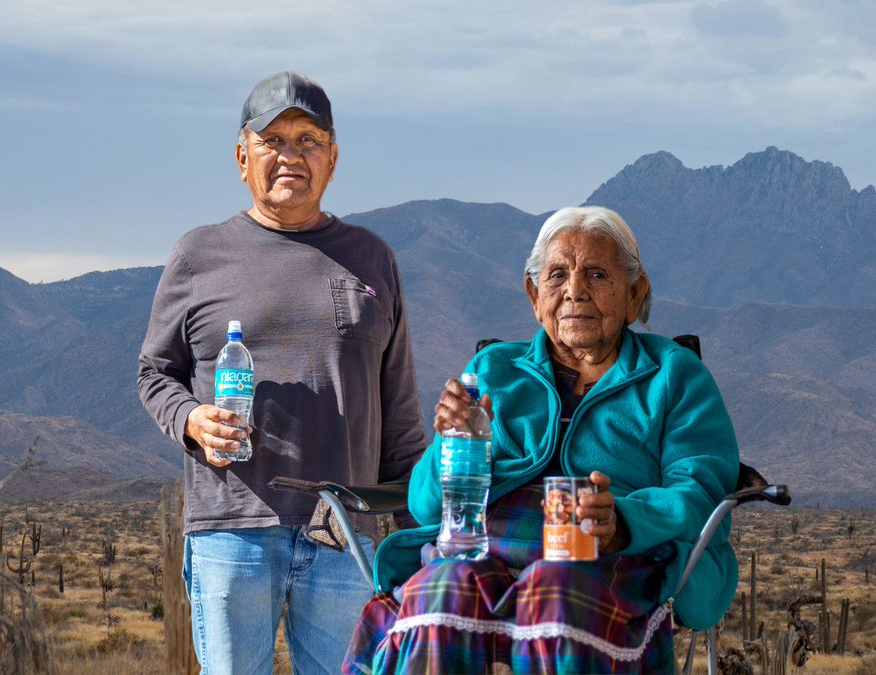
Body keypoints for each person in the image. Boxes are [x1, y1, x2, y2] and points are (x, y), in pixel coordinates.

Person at [344, 206, 741, 674]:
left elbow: (699, 488)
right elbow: (429, 507)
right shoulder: (493, 372)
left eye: (596, 274)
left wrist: (623, 522)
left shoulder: (675, 376)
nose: (574, 290)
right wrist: (450, 444)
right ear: (535, 295)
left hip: (608, 558)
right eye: (557, 276)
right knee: (441, 594)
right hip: (486, 551)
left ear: (636, 295)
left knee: (555, 593)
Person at [137, 71, 425, 674]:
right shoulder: (198, 255)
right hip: (231, 531)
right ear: (242, 158)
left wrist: (413, 529)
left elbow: (397, 408)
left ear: (333, 158)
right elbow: (154, 373)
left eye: (308, 140)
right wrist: (191, 419)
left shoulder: (372, 258)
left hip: (348, 532)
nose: (291, 156)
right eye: (272, 141)